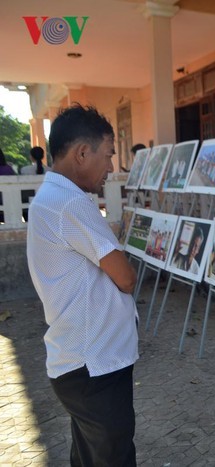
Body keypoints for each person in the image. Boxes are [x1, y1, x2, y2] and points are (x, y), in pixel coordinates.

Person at [26, 104, 138, 465]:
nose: (110, 167)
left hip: (81, 360)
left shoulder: (53, 197)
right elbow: (126, 277)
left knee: (92, 455)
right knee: (111, 457)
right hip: (95, 365)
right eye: (108, 155)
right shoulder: (70, 202)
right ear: (82, 153)